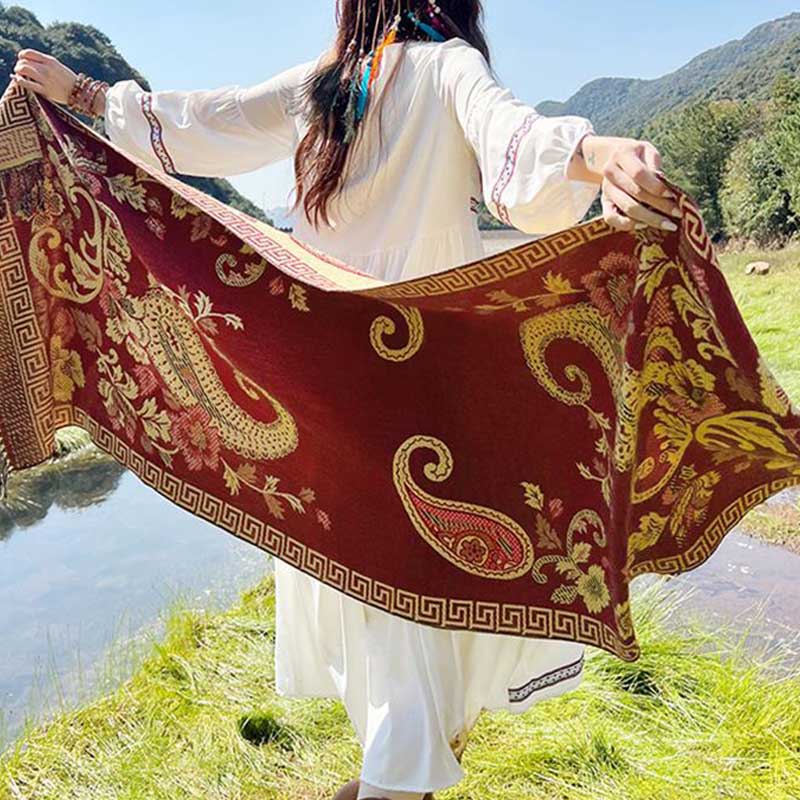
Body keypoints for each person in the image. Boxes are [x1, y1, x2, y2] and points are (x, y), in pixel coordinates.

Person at [11, 3, 681, 798]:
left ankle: (397, 769)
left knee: (365, 567)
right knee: (410, 570)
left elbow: (205, 122)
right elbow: (518, 143)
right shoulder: (439, 69)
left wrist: (86, 95)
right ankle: (400, 774)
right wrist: (602, 156)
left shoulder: (329, 87)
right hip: (418, 369)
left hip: (326, 376)